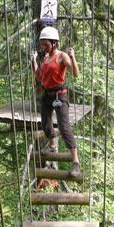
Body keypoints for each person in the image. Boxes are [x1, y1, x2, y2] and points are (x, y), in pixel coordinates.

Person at [31, 26, 81, 177]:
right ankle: (53, 143)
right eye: (42, 44)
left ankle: (76, 162)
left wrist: (72, 57)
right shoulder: (45, 58)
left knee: (65, 128)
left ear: (54, 43)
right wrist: (33, 61)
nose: (43, 47)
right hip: (47, 95)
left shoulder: (62, 56)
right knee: (46, 128)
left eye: (46, 44)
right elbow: (39, 77)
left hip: (60, 95)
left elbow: (75, 73)